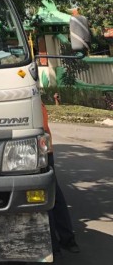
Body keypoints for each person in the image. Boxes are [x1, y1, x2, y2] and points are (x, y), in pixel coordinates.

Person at [41, 102, 80, 254]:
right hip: (42, 151)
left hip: (41, 152)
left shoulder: (32, 101)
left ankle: (57, 242)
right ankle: (65, 239)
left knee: (50, 196)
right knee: (53, 196)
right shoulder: (38, 102)